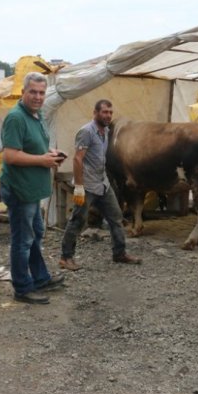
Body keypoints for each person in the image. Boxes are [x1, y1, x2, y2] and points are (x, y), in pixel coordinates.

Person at [0, 71, 67, 304]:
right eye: (33, 92)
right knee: (23, 240)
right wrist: (42, 161)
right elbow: (10, 155)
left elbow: (30, 147)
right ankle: (22, 287)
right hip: (20, 190)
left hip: (32, 189)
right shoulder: (16, 118)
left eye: (41, 92)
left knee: (35, 234)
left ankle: (39, 277)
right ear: (23, 92)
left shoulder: (35, 116)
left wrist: (49, 155)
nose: (38, 97)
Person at [59, 99, 141, 270]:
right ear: (95, 113)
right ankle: (66, 258)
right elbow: (77, 159)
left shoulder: (105, 131)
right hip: (87, 185)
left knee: (116, 217)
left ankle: (119, 253)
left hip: (102, 183)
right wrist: (79, 187)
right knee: (77, 220)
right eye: (104, 112)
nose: (108, 115)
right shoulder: (86, 131)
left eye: (110, 112)